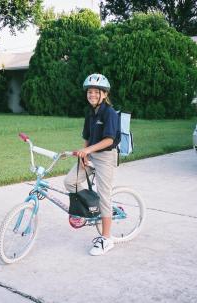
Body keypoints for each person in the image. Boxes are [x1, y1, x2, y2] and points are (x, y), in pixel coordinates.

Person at [64, 73, 119, 256]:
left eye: (96, 92)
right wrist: (83, 153)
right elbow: (87, 137)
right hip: (91, 154)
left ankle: (106, 239)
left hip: (105, 156)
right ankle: (89, 205)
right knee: (70, 182)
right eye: (89, 92)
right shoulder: (90, 112)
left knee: (105, 197)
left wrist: (88, 151)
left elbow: (109, 140)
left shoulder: (109, 113)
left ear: (104, 94)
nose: (92, 95)